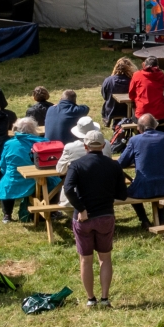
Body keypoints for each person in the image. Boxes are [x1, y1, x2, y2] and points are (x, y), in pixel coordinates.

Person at [63, 130, 125, 307]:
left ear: (85, 146)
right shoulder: (113, 165)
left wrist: (81, 208)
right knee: (105, 258)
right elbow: (122, 194)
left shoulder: (76, 165)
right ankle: (105, 298)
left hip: (84, 219)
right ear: (104, 146)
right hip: (105, 215)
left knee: (86, 260)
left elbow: (68, 190)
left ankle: (91, 299)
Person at [114, 112, 164, 227]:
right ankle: (161, 219)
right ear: (155, 125)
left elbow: (121, 163)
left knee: (129, 191)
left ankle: (144, 220)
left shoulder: (135, 140)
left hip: (144, 187)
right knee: (156, 182)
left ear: (139, 128)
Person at [0, 117, 41, 222]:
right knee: (52, 182)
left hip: (13, 178)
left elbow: (2, 163)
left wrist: (6, 172)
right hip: (36, 179)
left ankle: (7, 215)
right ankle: (49, 212)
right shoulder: (41, 142)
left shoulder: (9, 144)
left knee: (6, 183)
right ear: (34, 128)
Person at [128, 56, 164, 122]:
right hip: (159, 116)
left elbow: (131, 94)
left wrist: (138, 98)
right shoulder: (161, 75)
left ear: (144, 64)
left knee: (131, 117)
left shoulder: (137, 75)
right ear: (157, 65)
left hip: (142, 116)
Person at [100, 57, 137, 128]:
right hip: (128, 110)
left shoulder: (108, 80)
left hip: (112, 109)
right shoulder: (133, 81)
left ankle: (116, 127)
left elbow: (104, 95)